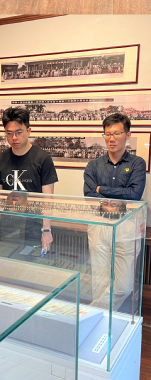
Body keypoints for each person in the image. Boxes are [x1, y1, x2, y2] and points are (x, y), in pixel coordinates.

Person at [84, 113, 146, 310]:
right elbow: (88, 195)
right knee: (100, 281)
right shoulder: (93, 165)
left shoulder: (137, 163)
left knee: (124, 286)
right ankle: (100, 319)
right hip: (99, 223)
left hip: (127, 225)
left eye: (117, 133)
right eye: (108, 134)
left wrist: (101, 190)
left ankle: (90, 312)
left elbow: (134, 194)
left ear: (127, 135)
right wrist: (117, 199)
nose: (111, 138)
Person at [0, 106, 58, 259]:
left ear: (29, 131)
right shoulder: (0, 160)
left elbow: (48, 200)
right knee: (7, 265)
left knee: (32, 266)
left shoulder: (42, 159)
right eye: (9, 133)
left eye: (19, 132)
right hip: (9, 224)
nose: (14, 137)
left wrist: (46, 230)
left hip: (34, 225)